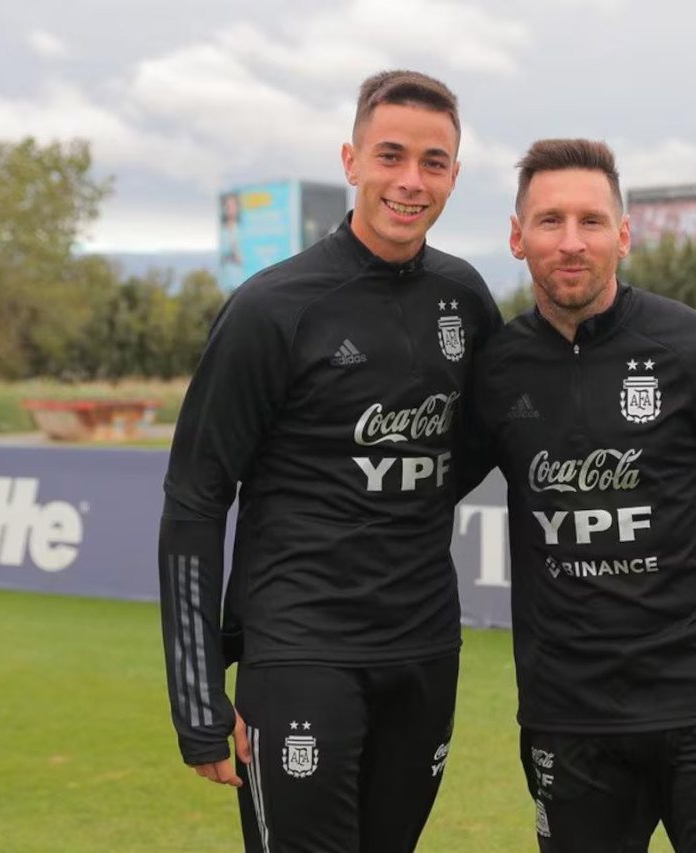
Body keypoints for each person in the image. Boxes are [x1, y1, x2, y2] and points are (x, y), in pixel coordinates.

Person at [158, 69, 503, 852]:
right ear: (351, 161)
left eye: (434, 161)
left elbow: (487, 438)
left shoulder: (464, 297)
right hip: (300, 649)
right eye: (391, 155)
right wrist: (196, 689)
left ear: (453, 175)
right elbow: (195, 498)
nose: (411, 181)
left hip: (423, 648)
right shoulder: (272, 309)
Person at [463, 139, 696, 852]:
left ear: (624, 234)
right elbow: (416, 496)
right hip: (570, 717)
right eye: (550, 221)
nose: (571, 242)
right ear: (517, 236)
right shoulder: (496, 371)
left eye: (591, 221)